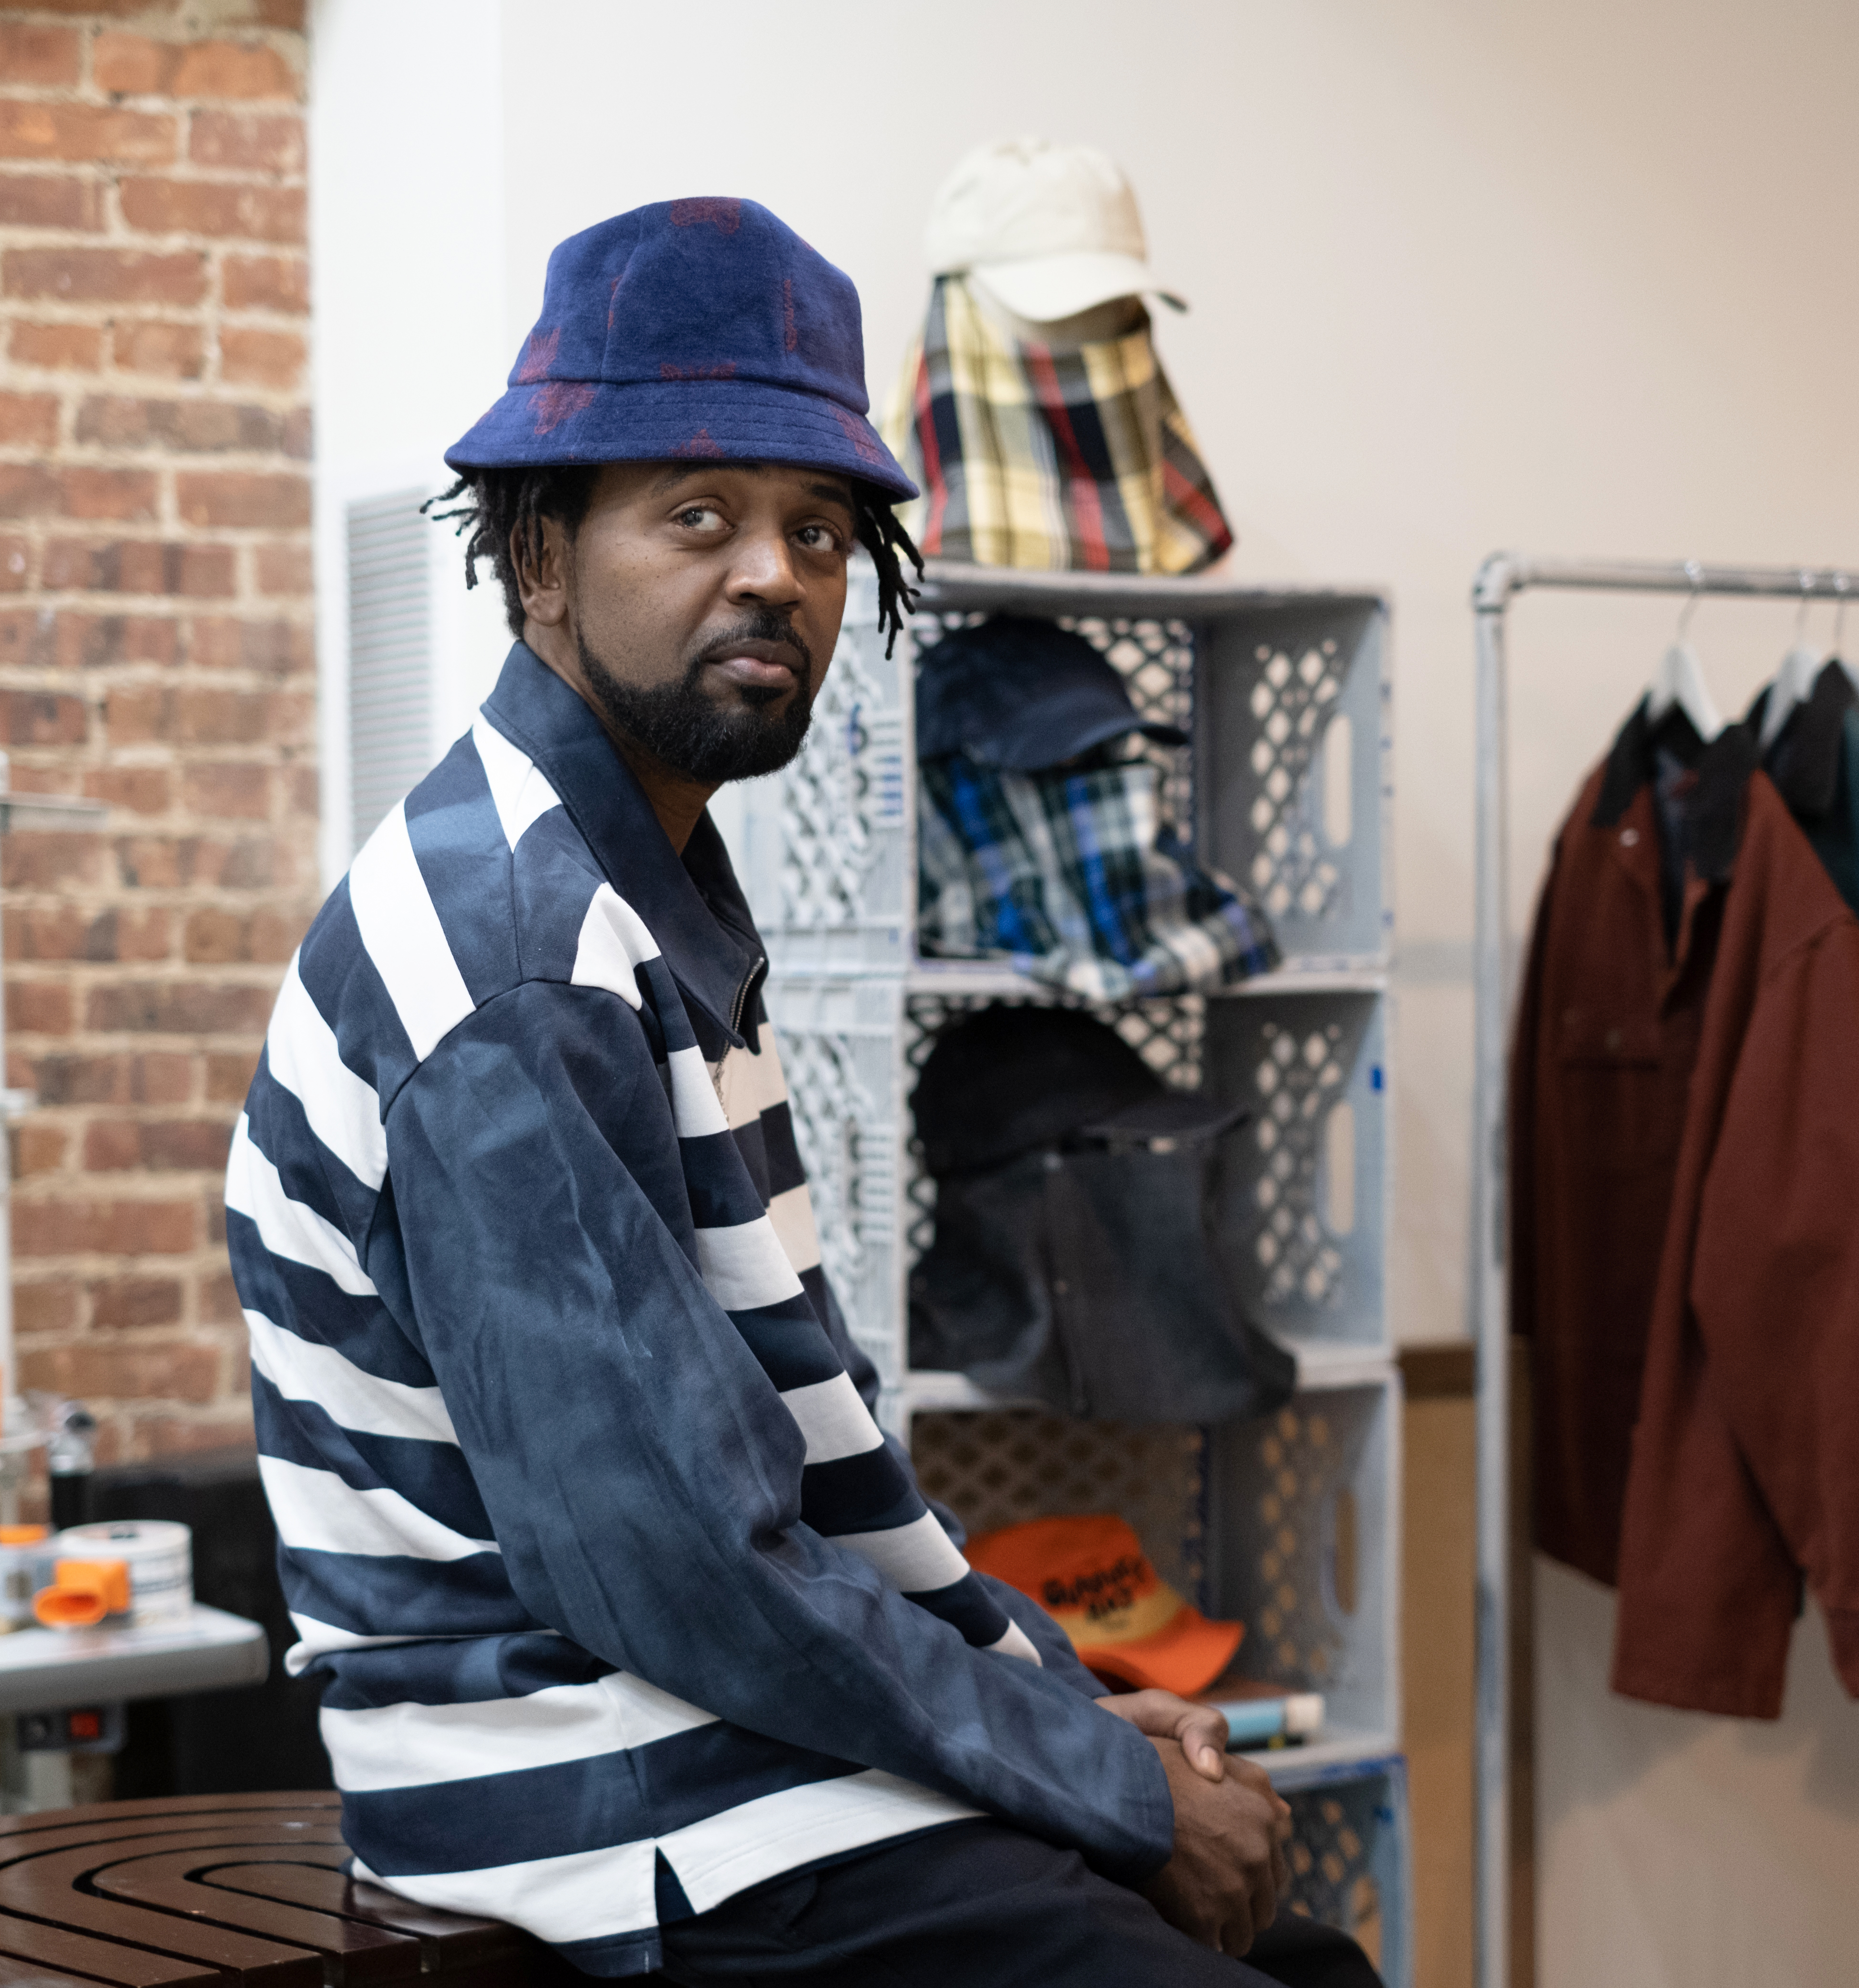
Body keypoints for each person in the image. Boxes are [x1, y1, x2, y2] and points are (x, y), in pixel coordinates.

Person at [227, 198, 1377, 1987]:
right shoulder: (517, 952)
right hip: (603, 1797)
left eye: (821, 528)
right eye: (698, 515)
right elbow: (672, 1563)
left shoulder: (638, 892)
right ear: (539, 555)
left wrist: (1078, 1718)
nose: (776, 571)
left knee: (1303, 1958)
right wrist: (1105, 1786)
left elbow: (802, 1482)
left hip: (731, 1751)